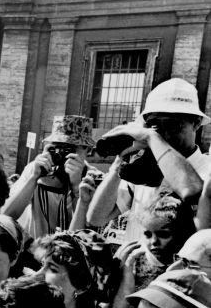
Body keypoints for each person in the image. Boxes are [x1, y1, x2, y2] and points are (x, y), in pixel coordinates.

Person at [87, 78, 211, 243]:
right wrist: (120, 162)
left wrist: (151, 136)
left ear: (196, 123)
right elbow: (96, 218)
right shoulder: (144, 168)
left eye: (172, 125)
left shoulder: (206, 170)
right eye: (154, 126)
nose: (162, 134)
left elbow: (192, 193)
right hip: (135, 266)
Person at [2, 115, 99, 237]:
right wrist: (33, 178)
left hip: (72, 251)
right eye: (58, 146)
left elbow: (88, 230)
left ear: (88, 150)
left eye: (71, 149)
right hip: (35, 249)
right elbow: (7, 216)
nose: (63, 155)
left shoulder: (93, 178)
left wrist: (76, 187)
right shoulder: (36, 169)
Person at [112, 194, 194, 308]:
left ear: (181, 234)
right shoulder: (132, 259)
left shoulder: (190, 264)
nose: (153, 242)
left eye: (163, 234)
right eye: (148, 234)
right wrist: (125, 276)